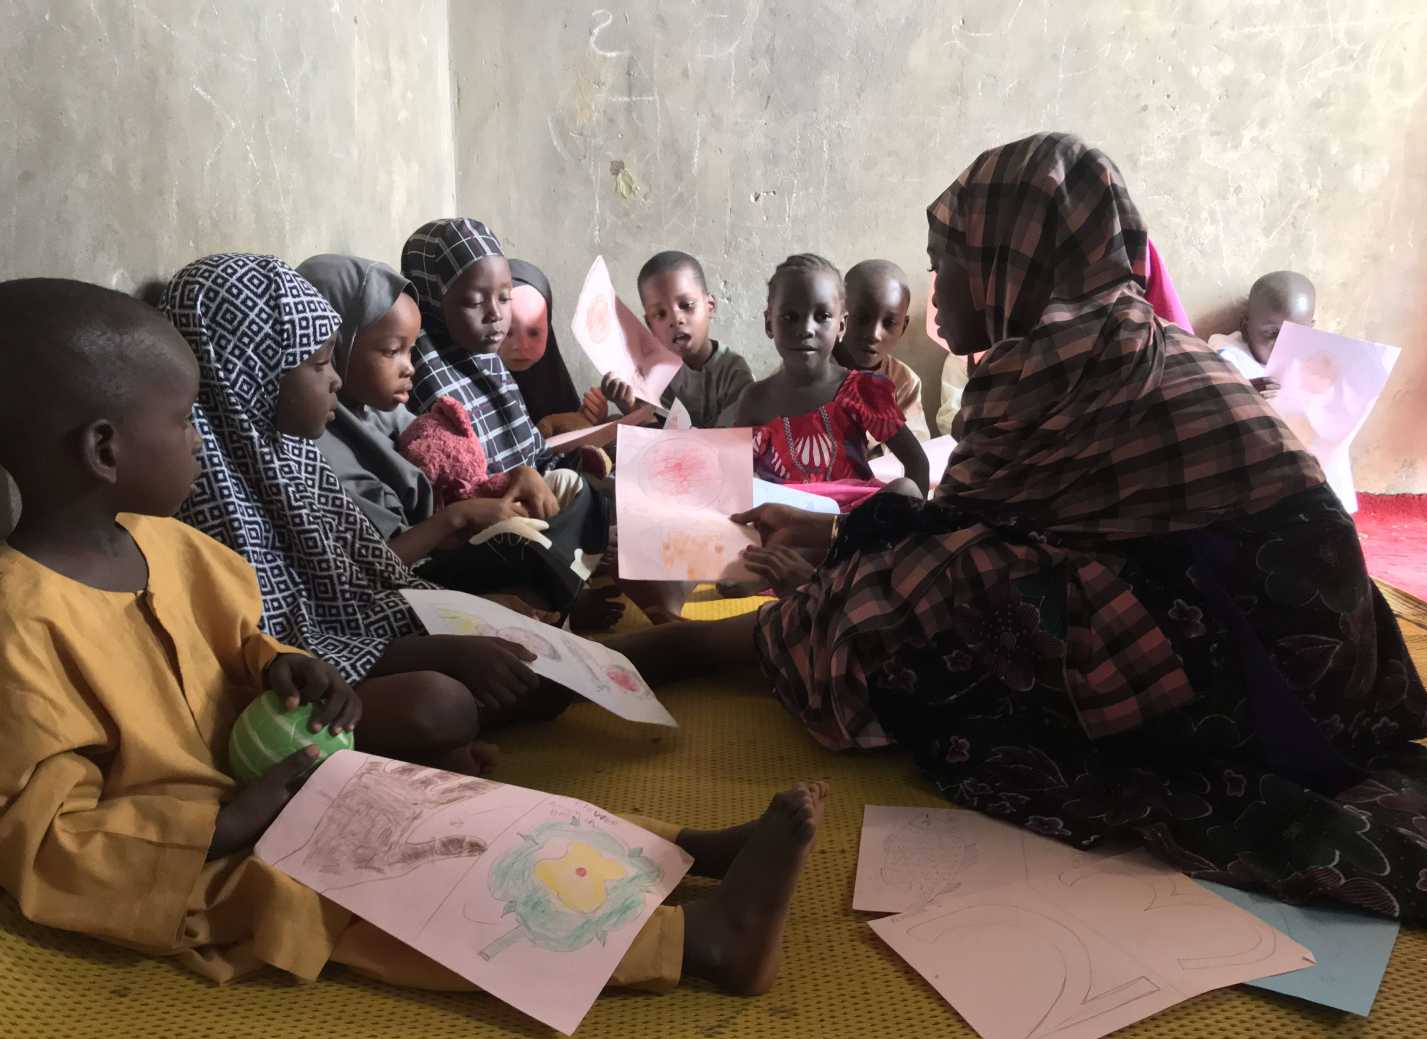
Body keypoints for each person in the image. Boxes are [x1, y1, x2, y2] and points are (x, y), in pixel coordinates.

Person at [612, 134, 1427, 931]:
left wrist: (828, 568)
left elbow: (951, 553)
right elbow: (987, 521)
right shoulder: (1126, 336)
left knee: (911, 605)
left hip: (1259, 675)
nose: (935, 293)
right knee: (922, 567)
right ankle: (733, 638)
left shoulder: (1052, 365)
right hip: (1328, 666)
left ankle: (708, 652)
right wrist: (834, 541)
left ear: (1012, 264)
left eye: (947, 264)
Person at [0, 276, 828, 999]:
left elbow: (244, 645)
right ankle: (696, 945)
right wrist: (221, 827)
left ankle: (670, 852)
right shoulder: (19, 622)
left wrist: (292, 668)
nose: (197, 433)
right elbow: (44, 838)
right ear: (104, 450)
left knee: (452, 809)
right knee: (403, 885)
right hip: (192, 862)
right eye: (182, 419)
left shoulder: (179, 550)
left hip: (277, 784)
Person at [163, 254, 561, 763]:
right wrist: (446, 646)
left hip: (353, 653)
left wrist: (460, 628)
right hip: (289, 697)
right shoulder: (206, 500)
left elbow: (361, 591)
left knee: (507, 641)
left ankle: (645, 658)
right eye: (319, 363)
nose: (334, 380)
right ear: (249, 371)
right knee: (442, 703)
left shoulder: (295, 458)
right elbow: (281, 656)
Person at [297, 253, 619, 623]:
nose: (410, 366)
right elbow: (373, 569)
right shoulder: (320, 446)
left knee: (567, 488)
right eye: (392, 351)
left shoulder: (383, 411)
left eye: (410, 349)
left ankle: (557, 594)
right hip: (415, 574)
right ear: (337, 349)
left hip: (449, 542)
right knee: (523, 543)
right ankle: (556, 599)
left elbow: (458, 475)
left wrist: (514, 477)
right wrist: (459, 517)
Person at [729, 254, 928, 503]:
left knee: (905, 489)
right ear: (769, 323)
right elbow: (733, 478)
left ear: (841, 326)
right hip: (782, 520)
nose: (806, 329)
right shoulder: (755, 399)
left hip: (853, 523)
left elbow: (917, 462)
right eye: (790, 317)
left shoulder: (860, 390)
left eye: (822, 316)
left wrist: (914, 523)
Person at [634, 250, 753, 427]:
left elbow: (732, 443)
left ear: (710, 306)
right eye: (660, 314)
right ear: (650, 325)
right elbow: (653, 434)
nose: (676, 320)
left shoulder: (733, 372)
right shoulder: (653, 374)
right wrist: (628, 405)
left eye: (687, 305)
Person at [502, 258, 612, 437]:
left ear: (548, 329)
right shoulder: (473, 388)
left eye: (534, 332)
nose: (522, 346)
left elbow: (571, 435)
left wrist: (590, 417)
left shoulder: (552, 378)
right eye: (507, 332)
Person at [835, 259, 930, 444]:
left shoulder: (904, 382)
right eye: (861, 318)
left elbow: (918, 448)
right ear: (840, 315)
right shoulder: (807, 369)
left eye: (889, 323)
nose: (874, 335)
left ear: (903, 327)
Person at [1208, 270, 1317, 397]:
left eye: (1297, 334)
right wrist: (1246, 393)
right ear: (1245, 328)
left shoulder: (1316, 361)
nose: (1284, 344)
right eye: (1272, 333)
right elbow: (1217, 394)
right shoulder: (1228, 354)